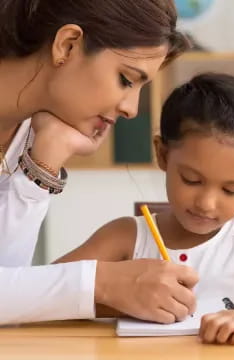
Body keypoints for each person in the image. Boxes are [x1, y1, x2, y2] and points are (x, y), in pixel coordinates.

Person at [57, 73, 234, 345]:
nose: (206, 203)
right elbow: (45, 290)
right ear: (162, 155)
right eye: (192, 180)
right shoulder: (125, 237)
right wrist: (112, 296)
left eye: (231, 190)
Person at [0, 0, 199, 325]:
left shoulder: (33, 129)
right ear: (68, 45)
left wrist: (43, 163)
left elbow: (6, 284)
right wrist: (102, 284)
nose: (131, 109)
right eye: (126, 79)